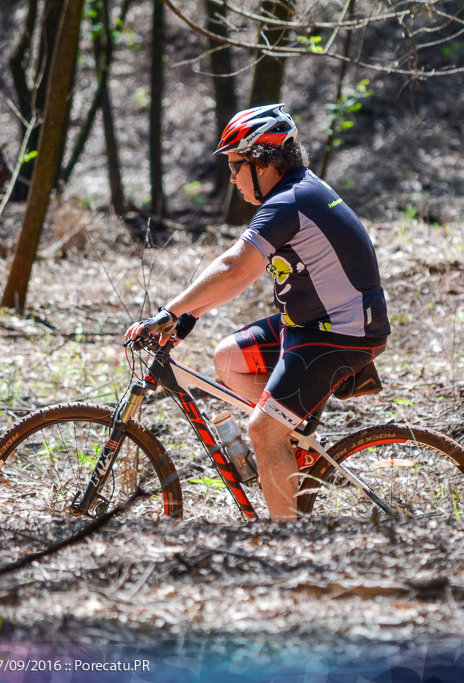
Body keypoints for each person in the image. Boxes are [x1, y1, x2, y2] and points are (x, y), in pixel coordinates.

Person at [125, 103, 391, 521]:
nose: (231, 178)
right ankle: (292, 445)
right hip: (310, 323)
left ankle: (287, 544)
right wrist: (187, 316)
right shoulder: (295, 193)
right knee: (228, 358)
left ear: (261, 160)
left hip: (341, 332)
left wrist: (169, 311)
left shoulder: (291, 201)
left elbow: (235, 267)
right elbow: (241, 277)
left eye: (235, 166)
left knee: (262, 430)